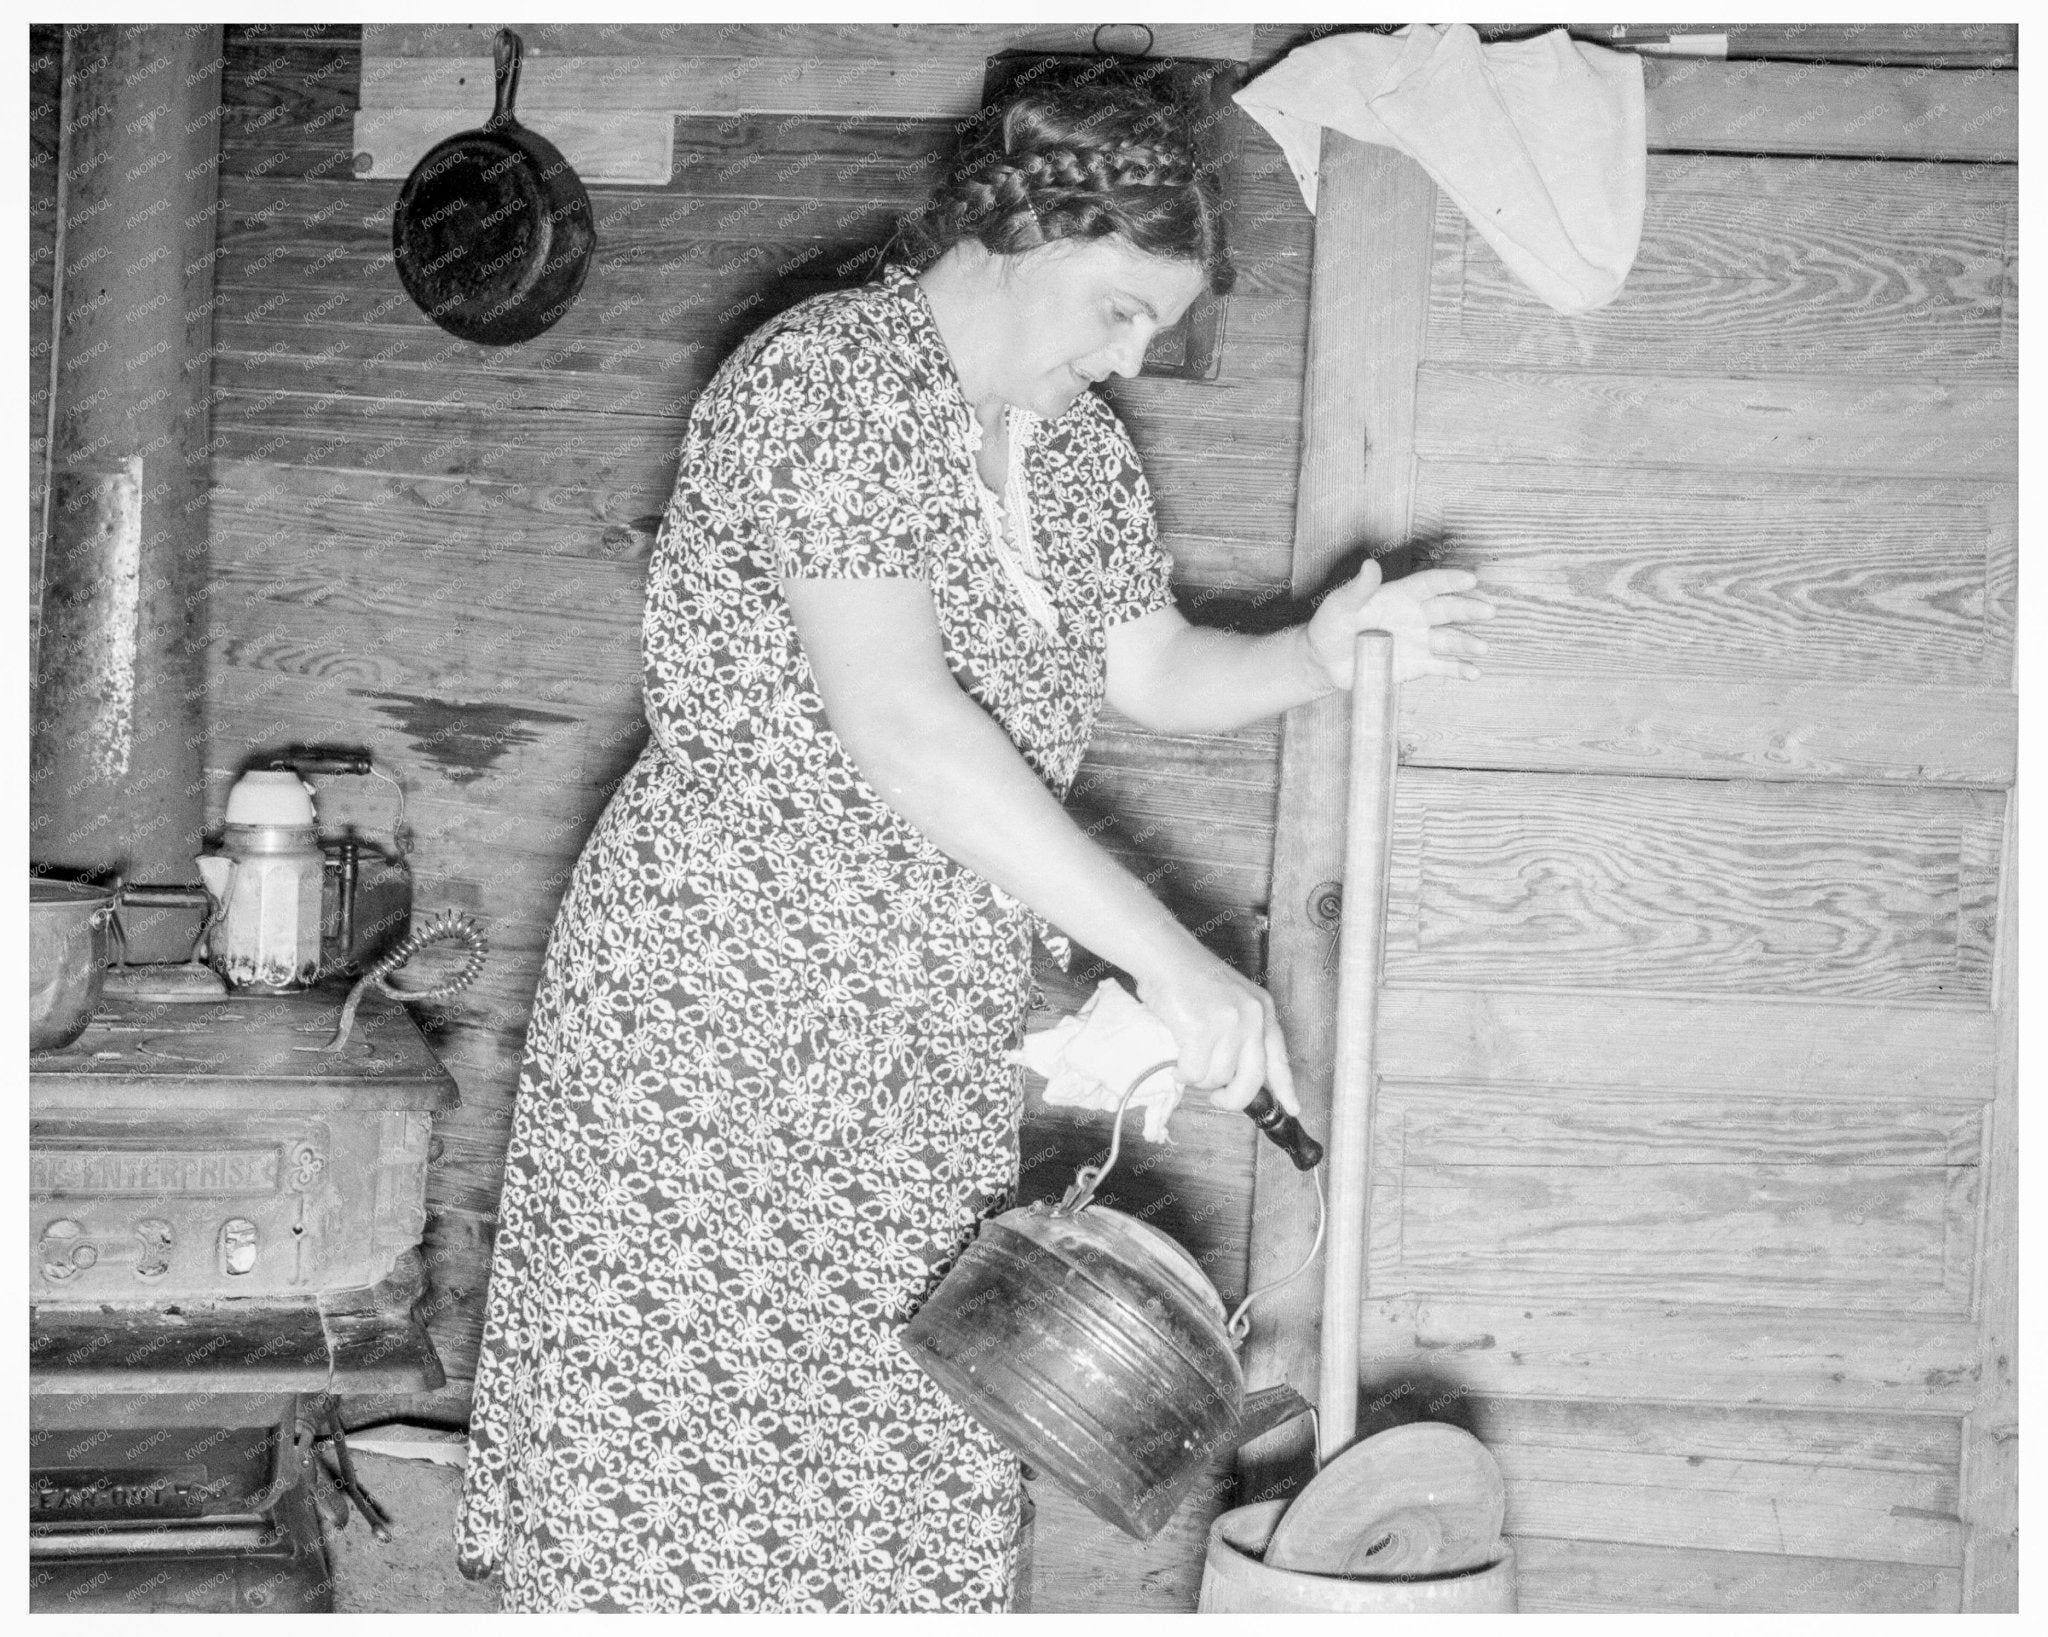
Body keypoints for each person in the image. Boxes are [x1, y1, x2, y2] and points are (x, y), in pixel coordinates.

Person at [454, 76, 1491, 1613]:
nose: (1131, 353)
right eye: (1121, 308)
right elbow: (903, 724)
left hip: (915, 1024)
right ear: (1028, 231)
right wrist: (1173, 957)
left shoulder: (1067, 453)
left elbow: (1150, 667)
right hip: (722, 1000)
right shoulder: (827, 383)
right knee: (697, 1429)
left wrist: (1322, 649)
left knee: (901, 1424)